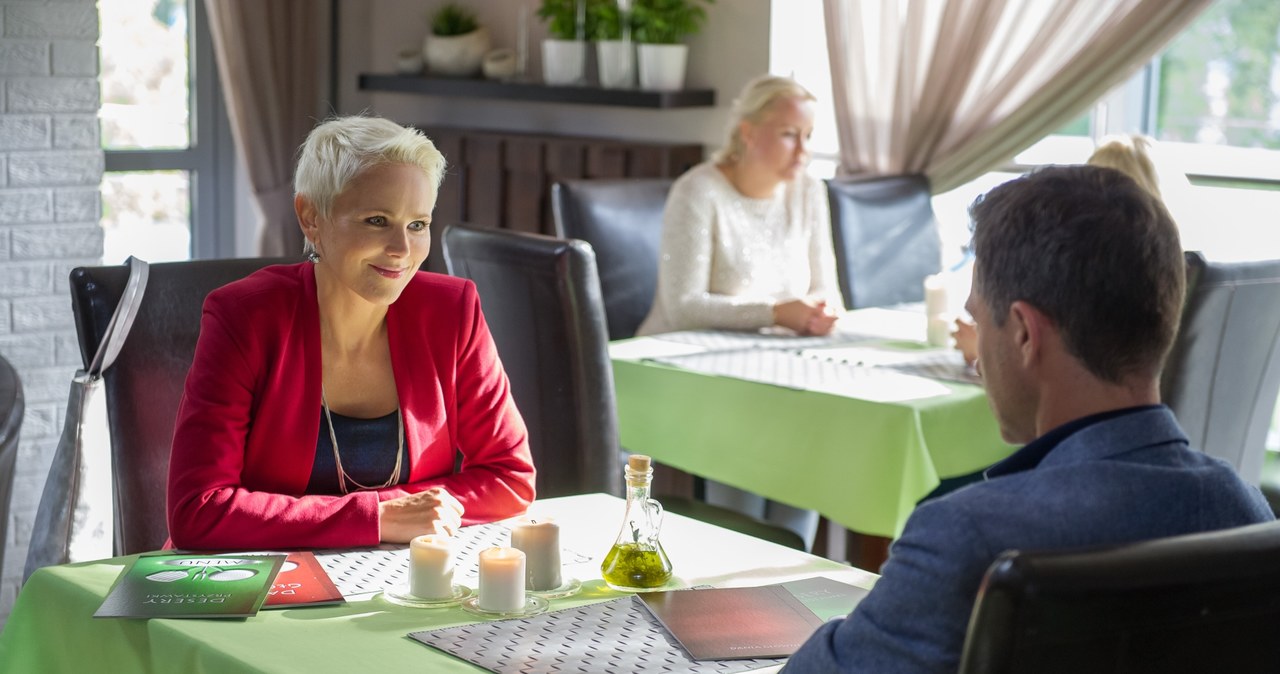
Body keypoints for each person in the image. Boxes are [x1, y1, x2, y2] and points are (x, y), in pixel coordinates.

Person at [786, 165, 1274, 673]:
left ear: (1023, 333)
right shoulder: (1243, 513)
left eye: (979, 320)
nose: (978, 359)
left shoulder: (969, 535)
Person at [167, 116, 536, 551]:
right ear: (310, 218)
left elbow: (510, 477)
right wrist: (377, 518)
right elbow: (198, 509)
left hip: (397, 578)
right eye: (377, 220)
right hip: (261, 583)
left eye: (418, 225)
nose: (402, 248)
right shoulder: (244, 316)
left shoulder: (453, 311)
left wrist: (397, 518)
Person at [636, 74, 844, 337]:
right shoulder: (697, 191)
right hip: (679, 355)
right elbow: (682, 309)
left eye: (809, 135)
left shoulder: (810, 191)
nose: (803, 150)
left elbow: (827, 292)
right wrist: (776, 313)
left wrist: (820, 314)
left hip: (772, 352)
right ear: (748, 132)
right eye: (789, 134)